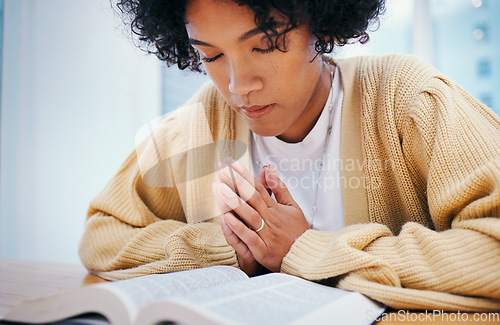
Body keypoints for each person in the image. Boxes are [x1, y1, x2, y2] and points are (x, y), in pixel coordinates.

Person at [79, 0, 500, 311]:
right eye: (211, 55)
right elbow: (102, 234)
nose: (238, 84)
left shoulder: (404, 98)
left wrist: (304, 249)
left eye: (265, 46)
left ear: (321, 25)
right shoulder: (200, 124)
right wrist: (229, 248)